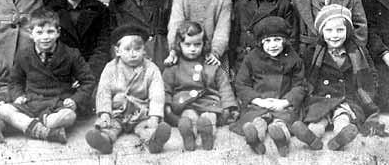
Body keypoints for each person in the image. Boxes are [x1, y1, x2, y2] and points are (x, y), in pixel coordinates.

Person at [0, 9, 95, 143]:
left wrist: (75, 100)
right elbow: (15, 81)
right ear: (31, 34)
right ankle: (45, 132)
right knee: (3, 109)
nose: (45, 37)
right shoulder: (24, 54)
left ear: (58, 33)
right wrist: (18, 96)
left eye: (50, 32)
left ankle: (28, 125)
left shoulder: (71, 54)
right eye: (39, 32)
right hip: (31, 102)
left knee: (69, 116)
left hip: (57, 104)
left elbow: (88, 81)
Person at [291, 5, 379, 151]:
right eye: (329, 30)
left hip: (346, 98)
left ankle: (341, 136)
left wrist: (369, 91)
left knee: (343, 116)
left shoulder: (358, 51)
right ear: (321, 32)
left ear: (348, 31)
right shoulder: (312, 52)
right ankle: (311, 136)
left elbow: (371, 73)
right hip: (320, 98)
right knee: (317, 119)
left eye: (340, 30)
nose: (334, 35)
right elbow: (303, 77)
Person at [85, 25, 172, 154]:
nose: (133, 54)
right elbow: (104, 92)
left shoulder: (151, 68)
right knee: (110, 127)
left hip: (141, 113)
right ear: (117, 51)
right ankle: (104, 141)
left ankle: (153, 141)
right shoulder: (110, 68)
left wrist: (155, 116)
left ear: (144, 50)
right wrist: (104, 113)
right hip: (117, 112)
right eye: (127, 49)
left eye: (137, 49)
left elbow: (157, 94)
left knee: (146, 127)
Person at [232, 17, 306, 157]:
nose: (273, 45)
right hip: (259, 103)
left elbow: (300, 85)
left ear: (285, 40)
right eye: (268, 41)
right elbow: (241, 84)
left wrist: (285, 102)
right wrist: (258, 101)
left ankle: (282, 140)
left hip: (282, 104)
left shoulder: (293, 58)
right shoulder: (251, 58)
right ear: (260, 42)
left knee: (281, 122)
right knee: (257, 121)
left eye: (277, 40)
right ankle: (255, 140)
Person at [162, 21, 238, 151]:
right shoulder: (174, 67)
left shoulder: (211, 64)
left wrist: (230, 106)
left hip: (209, 102)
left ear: (204, 44)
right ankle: (189, 136)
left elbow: (224, 87)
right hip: (185, 103)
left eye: (197, 44)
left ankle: (207, 136)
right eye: (187, 44)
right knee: (188, 116)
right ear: (179, 45)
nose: (192, 48)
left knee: (209, 118)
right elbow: (166, 88)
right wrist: (167, 106)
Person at [230, 0, 294, 73]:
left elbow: (290, 39)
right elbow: (235, 36)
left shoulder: (283, 6)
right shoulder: (240, 4)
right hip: (244, 63)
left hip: (272, 63)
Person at [49, 0, 111, 82]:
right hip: (62, 73)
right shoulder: (51, 11)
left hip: (91, 72)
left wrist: (86, 74)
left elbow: (102, 47)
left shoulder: (100, 10)